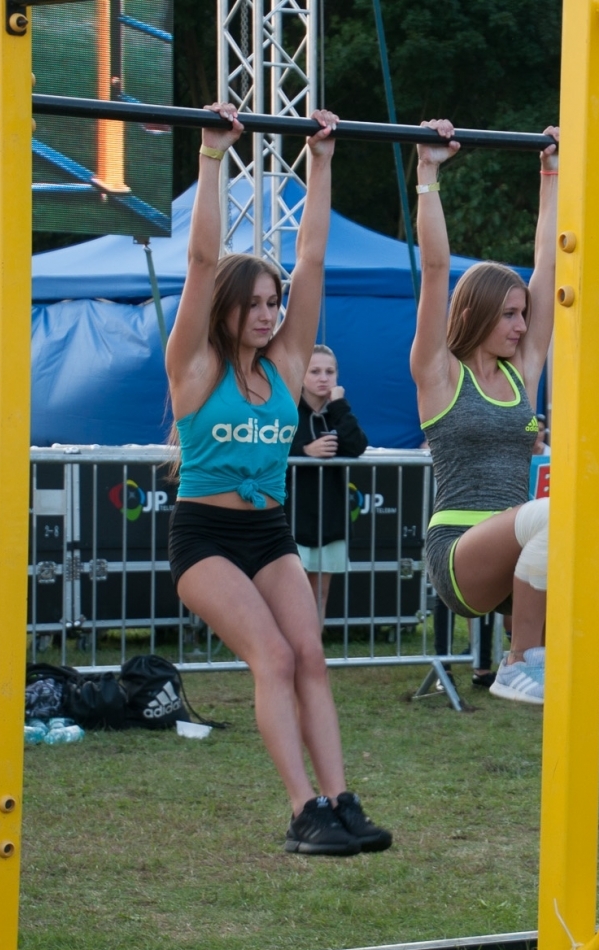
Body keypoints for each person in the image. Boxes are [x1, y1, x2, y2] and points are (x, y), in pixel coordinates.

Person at [167, 104, 390, 858]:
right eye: (254, 304)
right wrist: (210, 156)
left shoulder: (288, 368)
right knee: (274, 658)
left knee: (311, 657)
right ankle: (301, 810)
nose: (267, 314)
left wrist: (321, 160)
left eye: (272, 303)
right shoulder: (195, 368)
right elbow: (200, 263)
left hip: (268, 530)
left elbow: (313, 263)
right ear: (227, 309)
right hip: (204, 536)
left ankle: (340, 798)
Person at [410, 119, 558, 705]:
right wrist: (428, 173)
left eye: (524, 314)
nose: (521, 326)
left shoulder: (521, 374)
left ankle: (540, 653)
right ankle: (519, 661)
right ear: (476, 315)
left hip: (514, 547)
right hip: (458, 553)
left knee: (578, 521)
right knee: (553, 514)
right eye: (508, 316)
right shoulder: (441, 372)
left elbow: (547, 265)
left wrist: (552, 173)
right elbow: (436, 272)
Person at [287, 344, 368, 621]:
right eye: (315, 371)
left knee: (319, 594)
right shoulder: (287, 410)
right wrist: (305, 451)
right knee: (291, 595)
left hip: (330, 518)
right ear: (300, 374)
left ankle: (313, 659)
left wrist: (338, 406)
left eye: (330, 372)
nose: (324, 378)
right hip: (291, 519)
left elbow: (356, 445)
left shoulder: (338, 411)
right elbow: (269, 450)